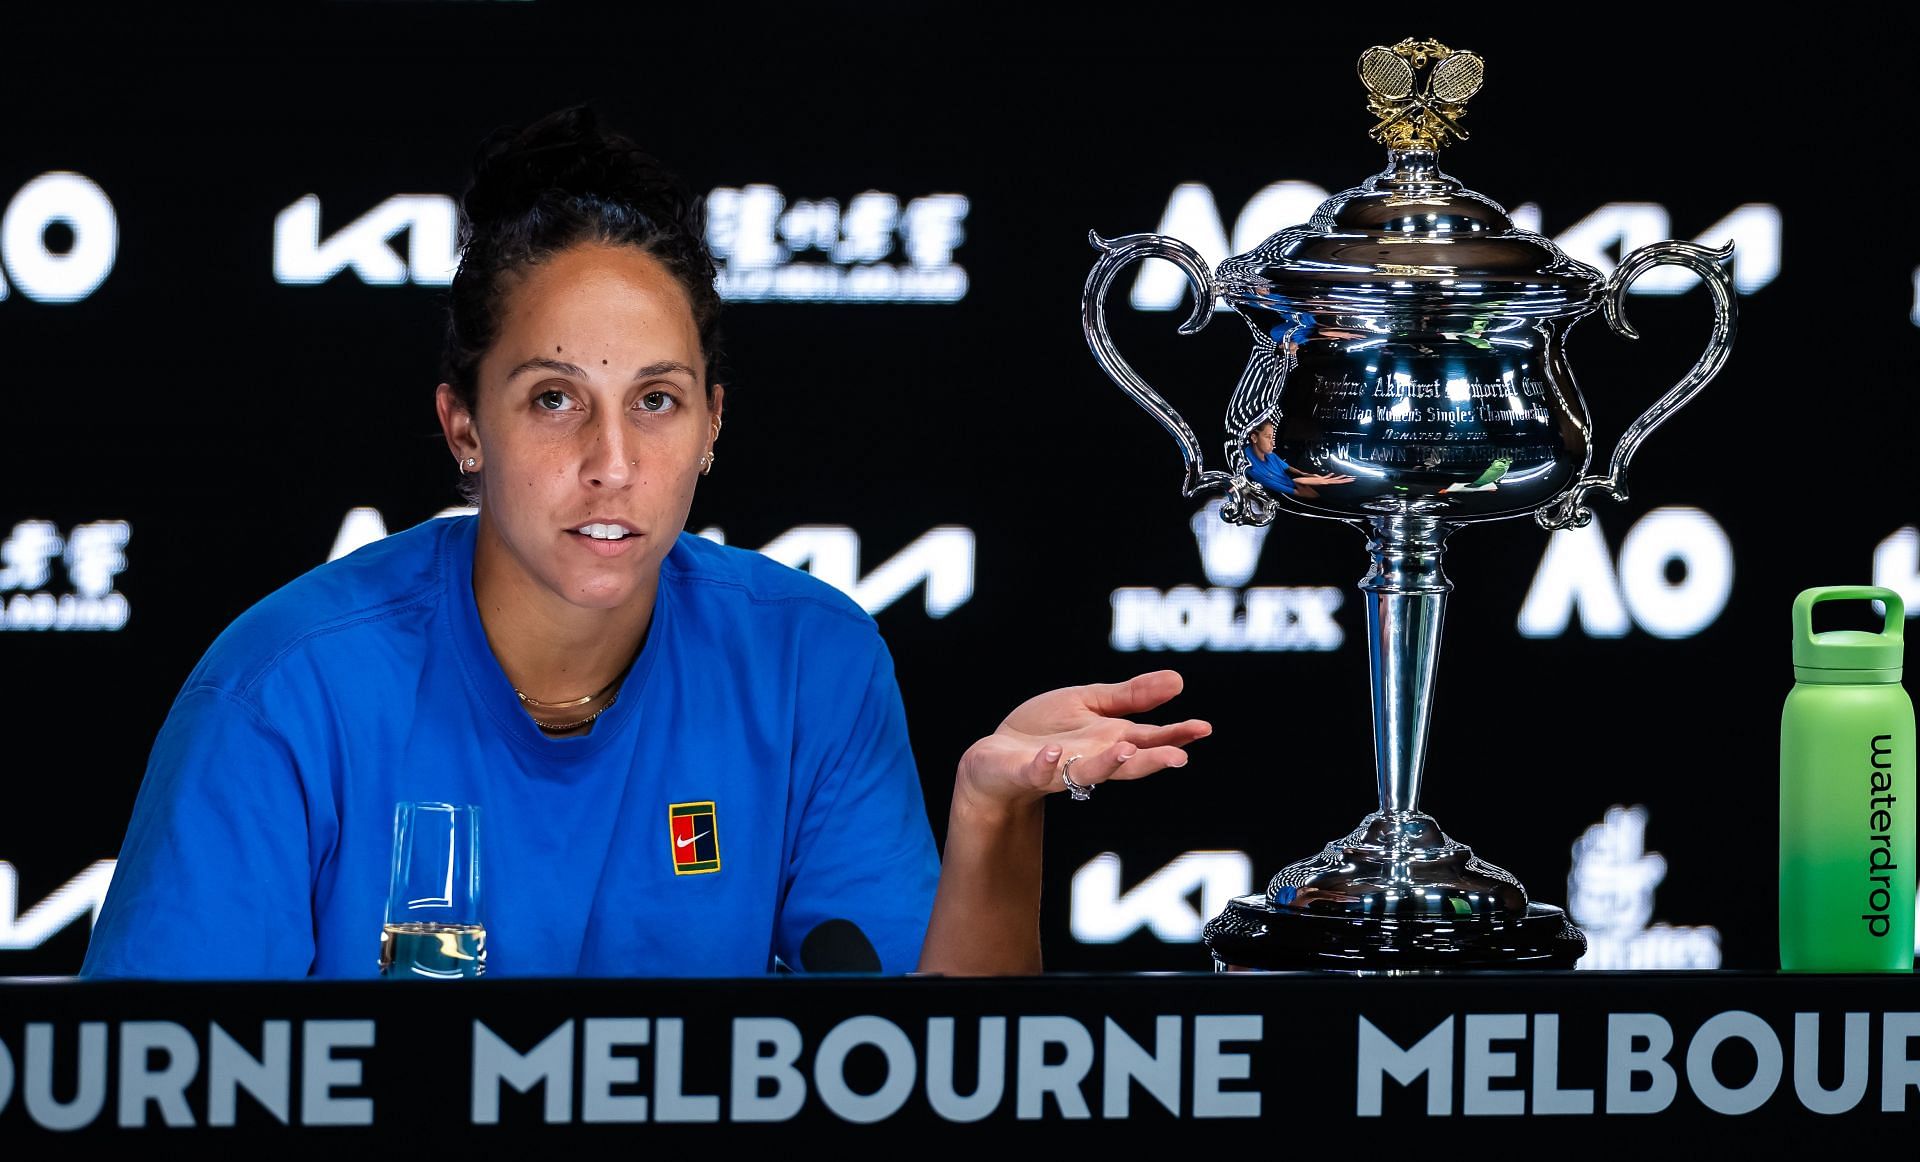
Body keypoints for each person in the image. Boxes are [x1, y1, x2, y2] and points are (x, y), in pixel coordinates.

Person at [79, 107, 1208, 980]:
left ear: (714, 423)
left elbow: (926, 1081)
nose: (612, 459)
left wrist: (991, 816)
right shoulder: (287, 690)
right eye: (554, 398)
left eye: (656, 400)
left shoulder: (809, 663)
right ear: (462, 426)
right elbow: (158, 1082)